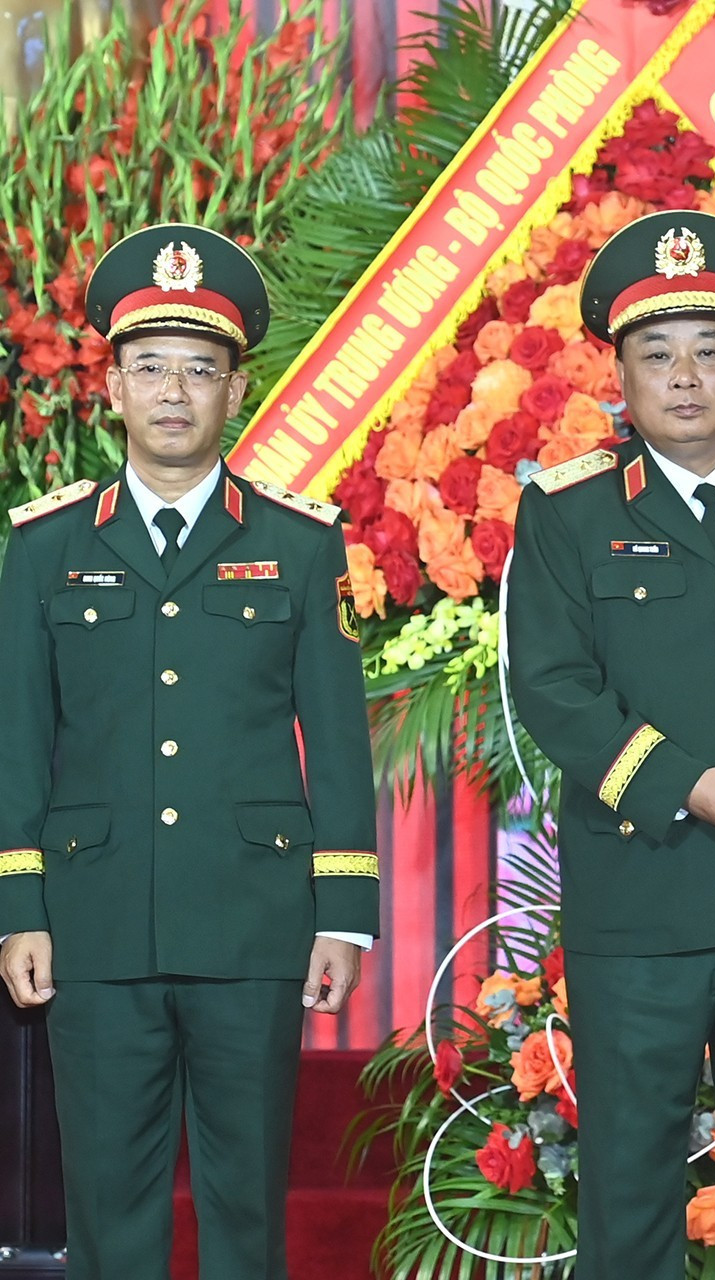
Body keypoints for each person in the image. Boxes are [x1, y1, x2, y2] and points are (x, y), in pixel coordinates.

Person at [0, 223, 379, 1280]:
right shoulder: (46, 547)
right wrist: (18, 908)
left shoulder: (300, 546)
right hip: (96, 918)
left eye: (200, 370)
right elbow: (19, 738)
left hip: (252, 920)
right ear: (111, 388)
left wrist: (341, 913)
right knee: (108, 1207)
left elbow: (338, 741)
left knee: (243, 1198)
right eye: (151, 368)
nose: (175, 391)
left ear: (236, 391)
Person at [505, 210, 715, 1280]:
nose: (686, 375)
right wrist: (683, 783)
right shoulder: (566, 512)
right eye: (657, 354)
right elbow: (553, 689)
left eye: (710, 349)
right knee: (629, 1178)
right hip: (641, 895)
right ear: (621, 374)